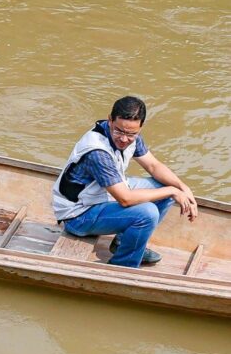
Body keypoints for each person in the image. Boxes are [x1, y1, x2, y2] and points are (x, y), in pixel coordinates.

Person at [52, 96, 198, 267]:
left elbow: (153, 165)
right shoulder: (98, 153)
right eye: (119, 131)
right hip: (78, 215)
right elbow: (125, 199)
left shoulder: (131, 136)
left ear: (140, 127)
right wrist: (173, 192)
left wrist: (182, 187)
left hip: (103, 197)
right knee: (147, 213)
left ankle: (123, 243)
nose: (124, 139)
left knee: (167, 185)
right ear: (110, 120)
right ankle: (123, 266)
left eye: (131, 134)